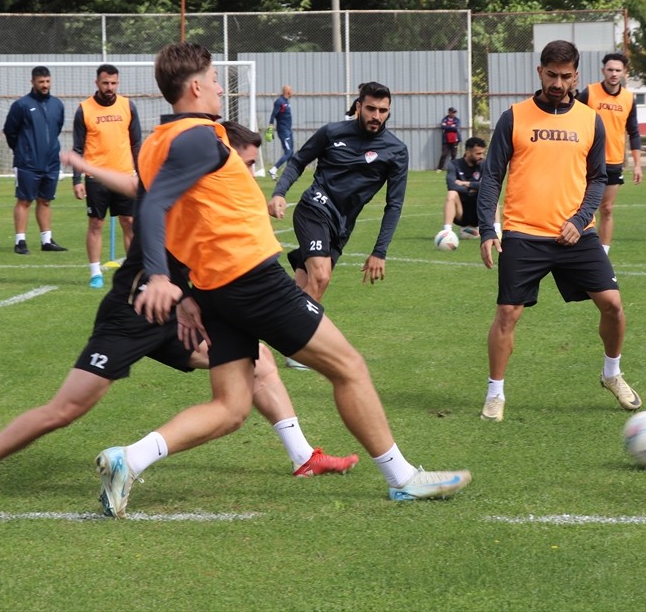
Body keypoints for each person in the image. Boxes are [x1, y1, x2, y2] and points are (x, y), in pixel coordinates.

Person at [94, 43, 469, 516]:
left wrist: (184, 288)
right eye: (212, 80)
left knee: (231, 408)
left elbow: (172, 218)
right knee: (348, 366)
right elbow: (152, 208)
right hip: (250, 278)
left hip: (215, 286)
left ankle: (128, 459)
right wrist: (159, 278)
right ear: (194, 87)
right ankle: (403, 477)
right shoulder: (197, 137)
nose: (217, 87)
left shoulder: (155, 142)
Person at [0, 123, 359, 500]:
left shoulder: (218, 196)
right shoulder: (187, 181)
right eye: (242, 164)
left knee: (259, 363)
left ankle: (303, 457)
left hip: (184, 312)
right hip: (134, 312)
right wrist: (89, 170)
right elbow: (142, 191)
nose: (245, 174)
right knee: (64, 409)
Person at [476, 40, 641, 423]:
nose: (558, 82)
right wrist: (488, 228)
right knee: (507, 313)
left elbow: (598, 178)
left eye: (566, 76)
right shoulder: (514, 117)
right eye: (552, 74)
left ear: (576, 76)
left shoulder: (589, 119)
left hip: (576, 234)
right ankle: (495, 394)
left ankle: (611, 374)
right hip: (523, 232)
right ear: (540, 72)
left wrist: (581, 218)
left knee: (613, 306)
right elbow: (491, 178)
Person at [268, 81, 408, 304]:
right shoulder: (332, 132)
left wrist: (379, 251)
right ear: (359, 107)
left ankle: (270, 330)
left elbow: (394, 204)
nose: (377, 116)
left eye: (383, 111)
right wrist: (279, 192)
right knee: (321, 278)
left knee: (306, 291)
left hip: (342, 226)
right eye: (371, 109)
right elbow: (298, 161)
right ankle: (290, 335)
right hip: (315, 208)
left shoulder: (396, 151)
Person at [72, 64, 141, 289]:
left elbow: (136, 143)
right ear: (97, 83)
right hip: (96, 177)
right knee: (96, 223)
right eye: (105, 83)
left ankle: (134, 274)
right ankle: (95, 273)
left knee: (129, 222)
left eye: (113, 83)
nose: (109, 87)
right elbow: (78, 148)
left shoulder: (128, 106)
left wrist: (141, 174)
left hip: (125, 176)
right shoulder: (84, 109)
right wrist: (76, 180)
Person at [576, 52, 643, 254]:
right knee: (584, 208)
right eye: (610, 69)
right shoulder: (589, 93)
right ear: (603, 70)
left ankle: (602, 252)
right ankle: (581, 247)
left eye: (618, 70)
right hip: (588, 160)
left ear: (624, 73)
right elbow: (572, 117)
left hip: (614, 162)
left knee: (607, 208)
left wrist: (638, 164)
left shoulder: (629, 98)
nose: (614, 73)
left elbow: (634, 131)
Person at [3, 65, 67, 254]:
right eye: (41, 82)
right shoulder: (21, 105)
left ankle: (46, 241)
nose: (45, 85)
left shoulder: (57, 104)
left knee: (45, 200)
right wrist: (23, 150)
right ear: (33, 82)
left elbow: (58, 127)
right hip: (28, 163)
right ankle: (20, 241)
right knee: (24, 200)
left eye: (47, 81)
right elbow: (10, 131)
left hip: (51, 162)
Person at [440, 136, 489, 240]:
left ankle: (496, 231)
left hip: (478, 213)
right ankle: (447, 232)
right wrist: (472, 190)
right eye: (478, 153)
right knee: (451, 194)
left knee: (492, 195)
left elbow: (487, 185)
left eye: (483, 153)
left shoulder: (484, 164)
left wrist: (466, 183)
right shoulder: (454, 164)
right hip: (460, 213)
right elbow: (451, 185)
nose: (482, 156)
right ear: (468, 152)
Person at [266, 84, 294, 180]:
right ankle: (273, 169)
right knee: (288, 151)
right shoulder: (280, 102)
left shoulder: (287, 102)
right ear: (287, 92)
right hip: (283, 131)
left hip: (289, 130)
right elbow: (273, 115)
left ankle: (289, 174)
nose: (292, 92)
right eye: (291, 91)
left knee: (291, 152)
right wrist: (270, 129)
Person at [436, 107, 461, 171]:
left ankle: (453, 168)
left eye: (454, 112)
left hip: (455, 140)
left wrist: (448, 126)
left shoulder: (457, 120)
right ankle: (439, 168)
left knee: (454, 154)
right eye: (452, 112)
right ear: (449, 112)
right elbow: (443, 127)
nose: (454, 114)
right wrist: (451, 126)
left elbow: (456, 128)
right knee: (444, 154)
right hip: (446, 140)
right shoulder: (445, 119)